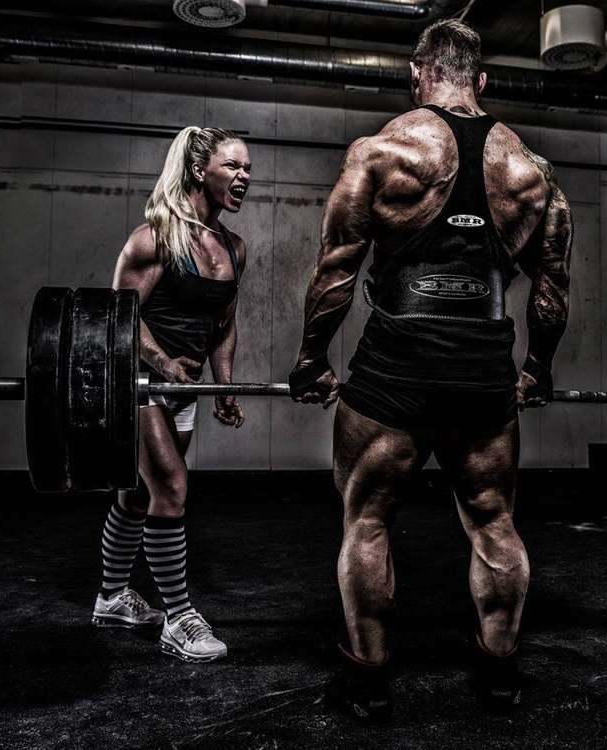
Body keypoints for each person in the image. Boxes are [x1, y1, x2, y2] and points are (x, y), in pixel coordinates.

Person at [288, 19, 573, 722]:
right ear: (482, 81)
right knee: (494, 522)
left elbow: (335, 273)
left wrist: (311, 360)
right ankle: (499, 677)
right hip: (482, 371)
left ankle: (369, 683)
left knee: (366, 521)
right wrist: (536, 369)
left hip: (395, 368)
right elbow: (552, 288)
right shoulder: (531, 174)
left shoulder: (381, 152)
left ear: (416, 74)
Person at [92, 126, 251, 664]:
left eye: (248, 168)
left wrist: (222, 385)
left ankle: (111, 598)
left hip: (182, 388)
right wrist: (163, 364)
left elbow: (223, 325)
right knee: (173, 487)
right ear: (199, 171)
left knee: (140, 496)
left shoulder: (234, 249)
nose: (244, 177)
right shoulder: (154, 239)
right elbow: (118, 320)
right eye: (232, 166)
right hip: (137, 383)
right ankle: (179, 619)